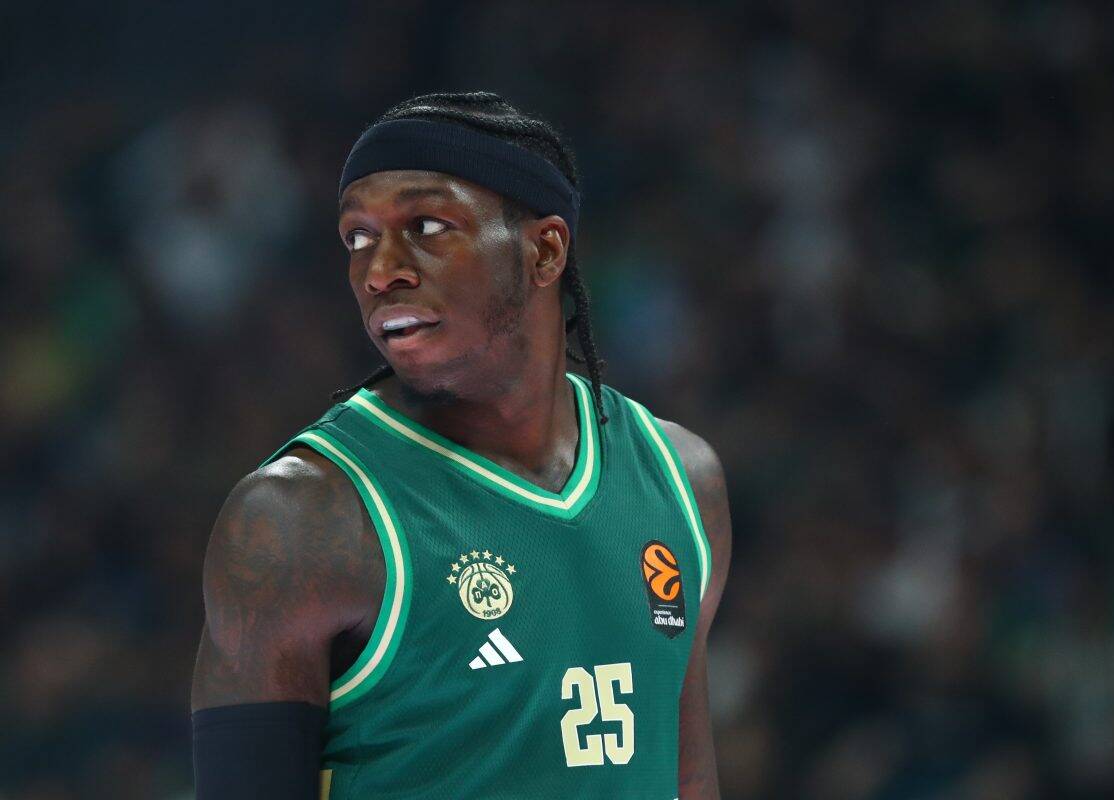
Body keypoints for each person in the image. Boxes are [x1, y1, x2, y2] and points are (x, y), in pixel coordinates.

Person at [190, 91, 731, 800]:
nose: (380, 270)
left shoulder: (682, 482)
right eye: (358, 237)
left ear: (545, 251)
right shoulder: (300, 517)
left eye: (426, 226)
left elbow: (688, 779)